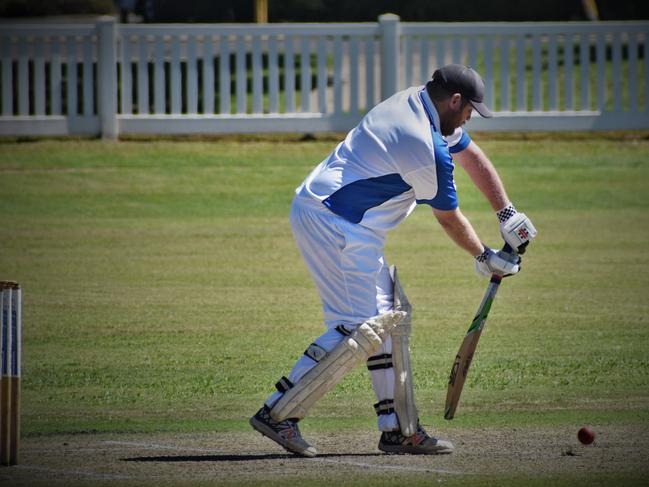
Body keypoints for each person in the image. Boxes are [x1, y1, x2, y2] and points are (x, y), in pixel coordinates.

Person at [250, 64, 536, 457]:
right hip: (335, 223)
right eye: (470, 108)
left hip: (342, 220)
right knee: (362, 328)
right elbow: (448, 217)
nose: (471, 116)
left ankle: (400, 430)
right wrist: (485, 257)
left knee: (391, 319)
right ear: (454, 100)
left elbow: (467, 151)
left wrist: (507, 213)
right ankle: (278, 412)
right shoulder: (421, 142)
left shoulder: (416, 100)